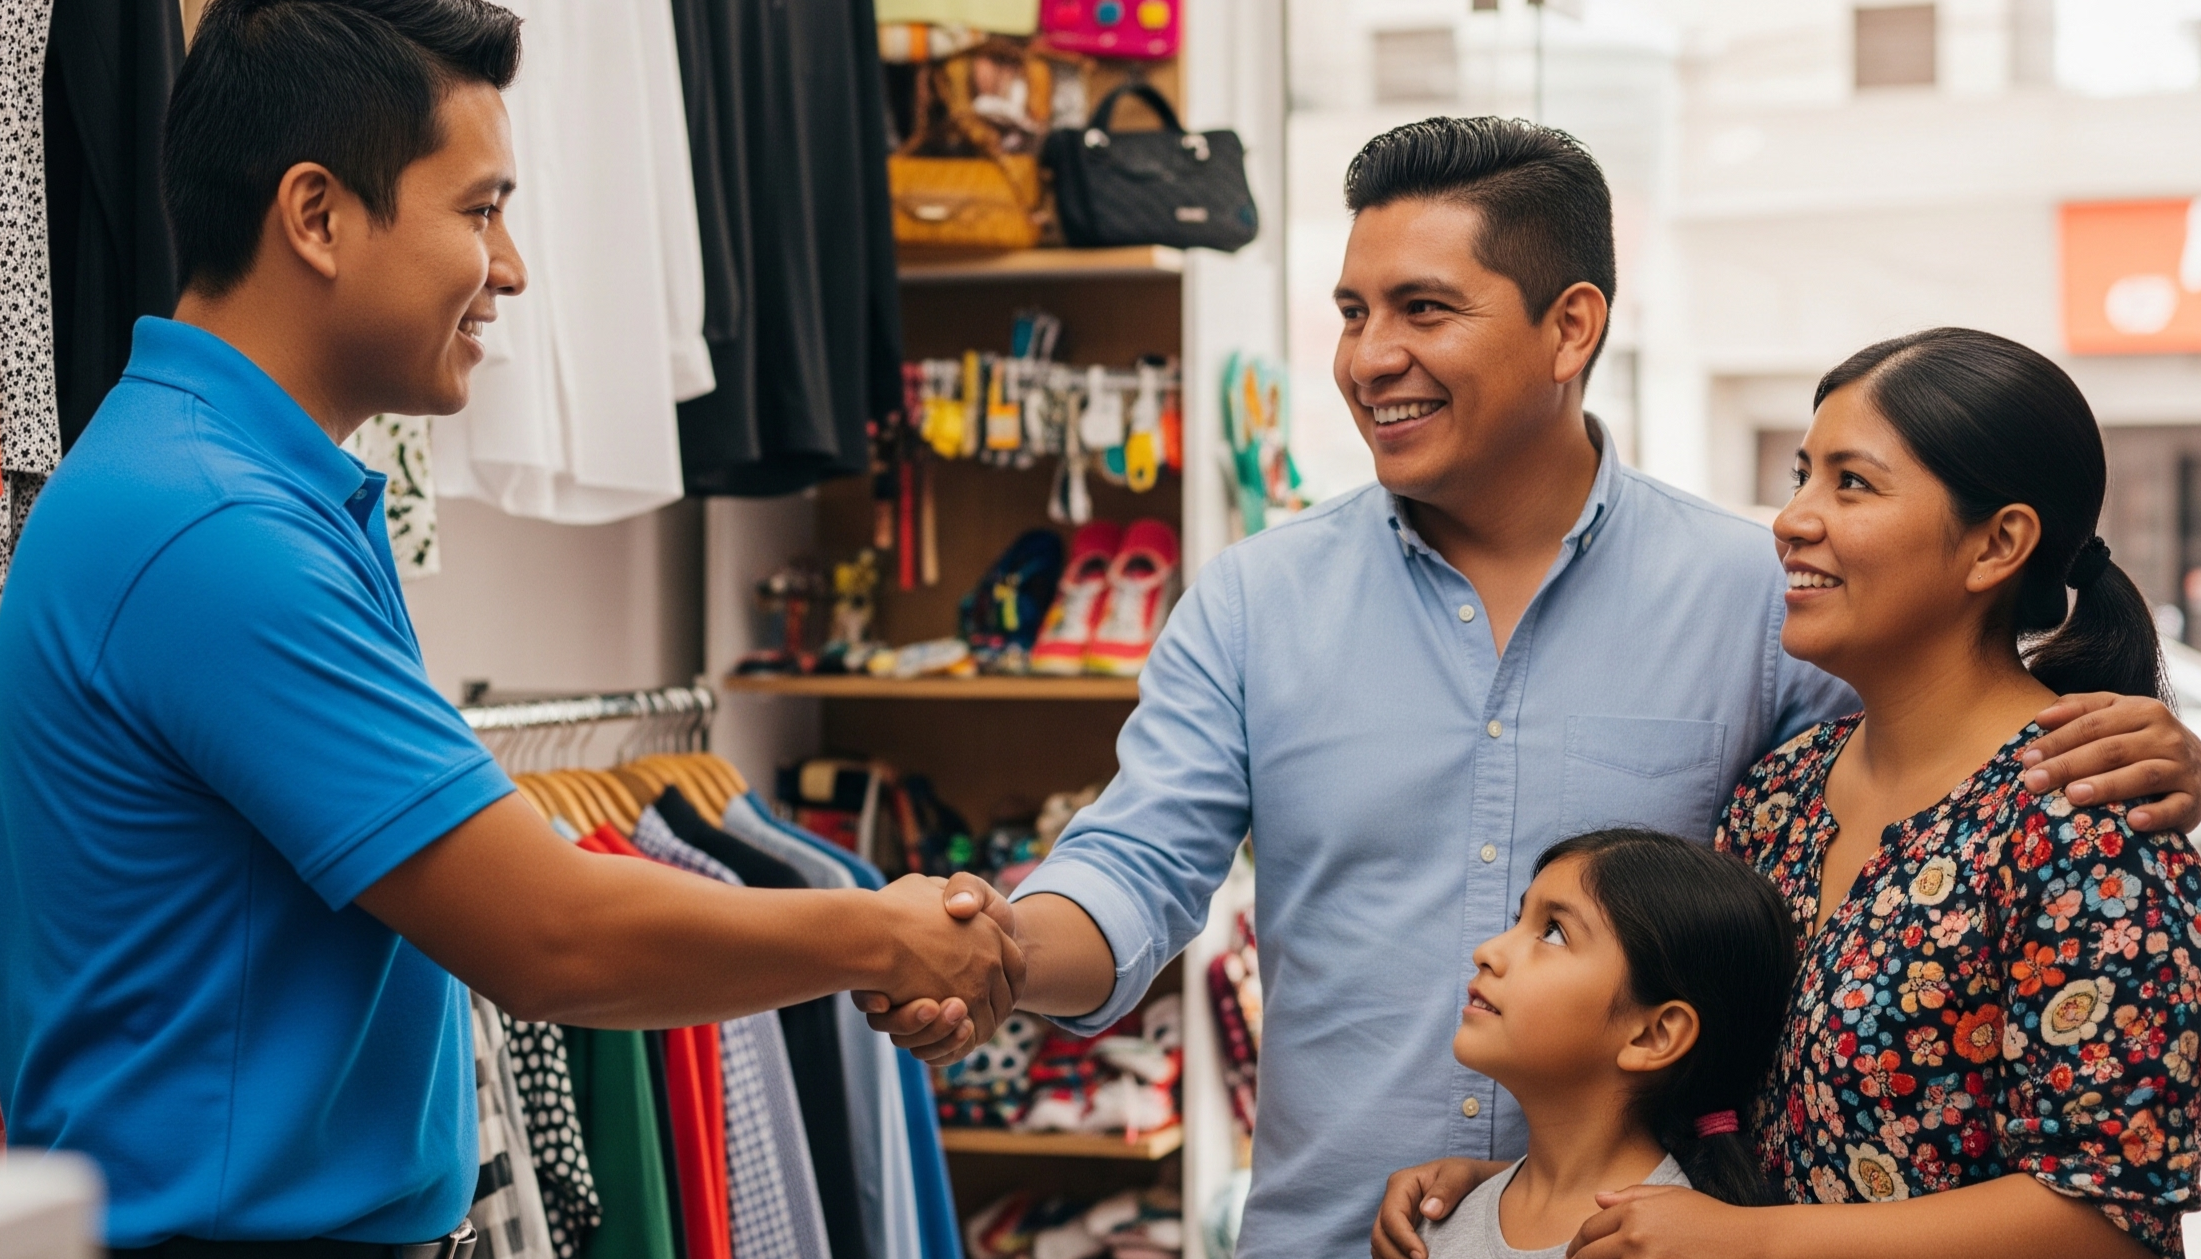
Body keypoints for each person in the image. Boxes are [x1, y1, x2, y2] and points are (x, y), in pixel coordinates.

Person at [867, 117, 2201, 1258]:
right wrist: (995, 955)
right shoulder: (1255, 601)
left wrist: (2159, 753)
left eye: (1422, 308)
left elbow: (1953, 759)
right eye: (1349, 310)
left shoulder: (1761, 610)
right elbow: (1138, 861)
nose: (1365, 357)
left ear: (1571, 326)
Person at [0, 1, 1015, 1251]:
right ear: (316, 216)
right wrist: (879, 928)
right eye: (480, 210)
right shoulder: (209, 529)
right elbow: (550, 934)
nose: (512, 266)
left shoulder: (226, 486)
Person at [1381, 329, 2201, 1259]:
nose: (1793, 519)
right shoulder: (1779, 793)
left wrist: (1761, 1242)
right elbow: (1717, 1108)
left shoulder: (2086, 814)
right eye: (1803, 475)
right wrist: (1522, 1195)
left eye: (1851, 483)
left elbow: (2109, 1215)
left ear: (1997, 543)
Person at [1416, 829, 1795, 1259]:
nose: (1487, 951)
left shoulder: (1672, 1246)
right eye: (1517, 922)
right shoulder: (1433, 1221)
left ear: (1654, 1036)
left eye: (1554, 933)